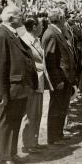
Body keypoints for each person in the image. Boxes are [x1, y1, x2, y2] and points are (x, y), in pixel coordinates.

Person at [0, 5, 38, 164]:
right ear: (11, 18)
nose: (22, 18)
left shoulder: (13, 33)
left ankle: (12, 153)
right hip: (10, 88)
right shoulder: (1, 35)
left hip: (19, 87)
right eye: (19, 16)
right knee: (7, 123)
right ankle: (4, 158)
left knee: (15, 121)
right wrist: (2, 94)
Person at [42, 8, 77, 145]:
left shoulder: (57, 32)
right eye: (64, 18)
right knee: (56, 108)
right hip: (60, 79)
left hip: (65, 77)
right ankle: (53, 137)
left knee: (62, 107)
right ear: (60, 19)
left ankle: (59, 134)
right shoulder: (51, 34)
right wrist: (57, 81)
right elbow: (51, 62)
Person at [21, 16, 49, 153]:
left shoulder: (36, 40)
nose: (43, 27)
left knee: (37, 113)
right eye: (41, 25)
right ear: (34, 27)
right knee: (30, 113)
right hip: (31, 83)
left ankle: (34, 141)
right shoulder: (24, 41)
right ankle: (27, 144)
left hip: (39, 81)